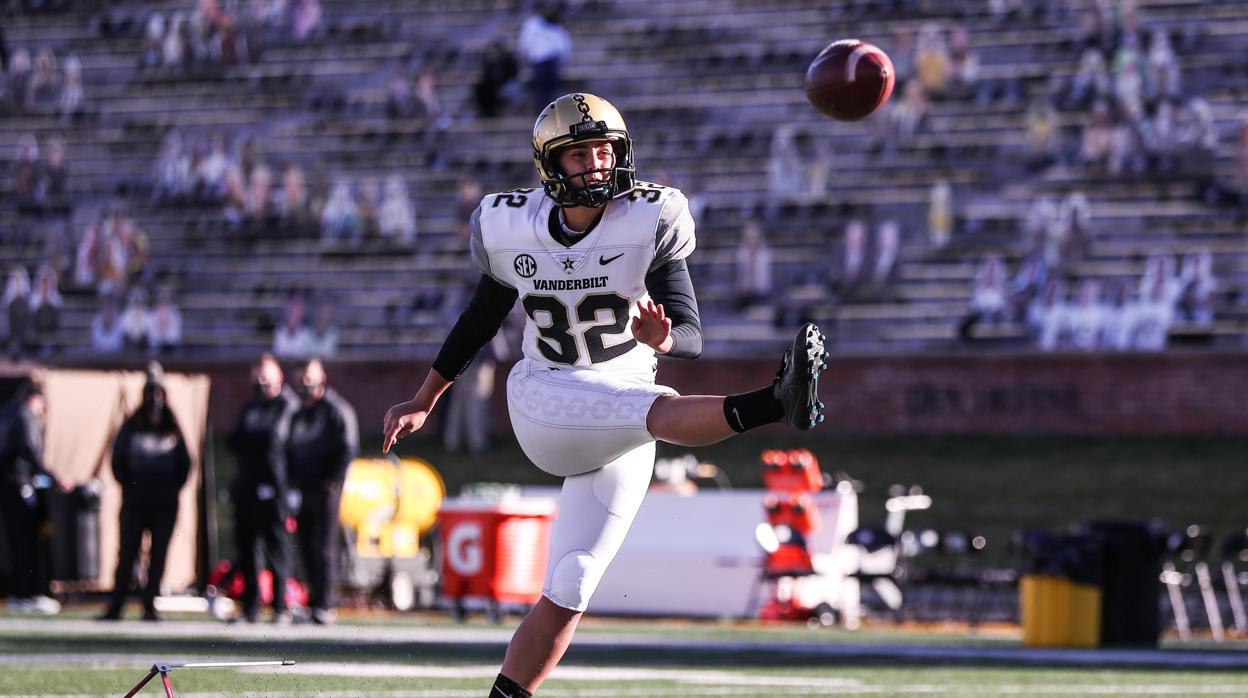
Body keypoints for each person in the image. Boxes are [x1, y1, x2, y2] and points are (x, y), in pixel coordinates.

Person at [380, 93, 827, 698]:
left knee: (573, 583)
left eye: (603, 151)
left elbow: (690, 333)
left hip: (622, 402)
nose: (596, 165)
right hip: (546, 396)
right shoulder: (512, 226)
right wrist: (425, 398)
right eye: (580, 154)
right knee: (656, 411)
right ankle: (775, 403)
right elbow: (480, 320)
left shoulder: (650, 219)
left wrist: (663, 338)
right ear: (550, 166)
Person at [99, 362, 191, 621]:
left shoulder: (172, 425)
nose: (155, 399)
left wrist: (169, 490)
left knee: (158, 555)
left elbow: (186, 464)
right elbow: (117, 460)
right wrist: (132, 487)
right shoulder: (133, 424)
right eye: (151, 393)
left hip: (164, 504)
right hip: (136, 502)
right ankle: (117, 605)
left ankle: (149, 606)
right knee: (127, 553)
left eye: (159, 393)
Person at [286, 358, 357, 625]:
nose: (305, 385)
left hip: (326, 487)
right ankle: (314, 600)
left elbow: (348, 448)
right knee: (305, 544)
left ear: (322, 378)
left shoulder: (336, 410)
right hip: (303, 486)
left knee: (324, 545)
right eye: (302, 379)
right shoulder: (300, 412)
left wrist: (334, 481)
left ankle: (326, 604)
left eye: (309, 378)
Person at [227, 353, 297, 624]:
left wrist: (253, 439)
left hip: (276, 487)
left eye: (266, 373)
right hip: (248, 485)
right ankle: (251, 608)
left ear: (279, 375)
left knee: (277, 547)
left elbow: (275, 438)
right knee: (249, 549)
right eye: (258, 373)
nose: (262, 379)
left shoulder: (287, 404)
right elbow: (234, 439)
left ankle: (281, 607)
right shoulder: (251, 405)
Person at [0, 380, 71, 614]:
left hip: (9, 486)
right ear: (35, 398)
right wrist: (56, 476)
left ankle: (20, 593)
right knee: (27, 542)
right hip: (19, 485)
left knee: (17, 542)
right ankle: (27, 593)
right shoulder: (24, 417)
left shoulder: (9, 414)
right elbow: (32, 453)